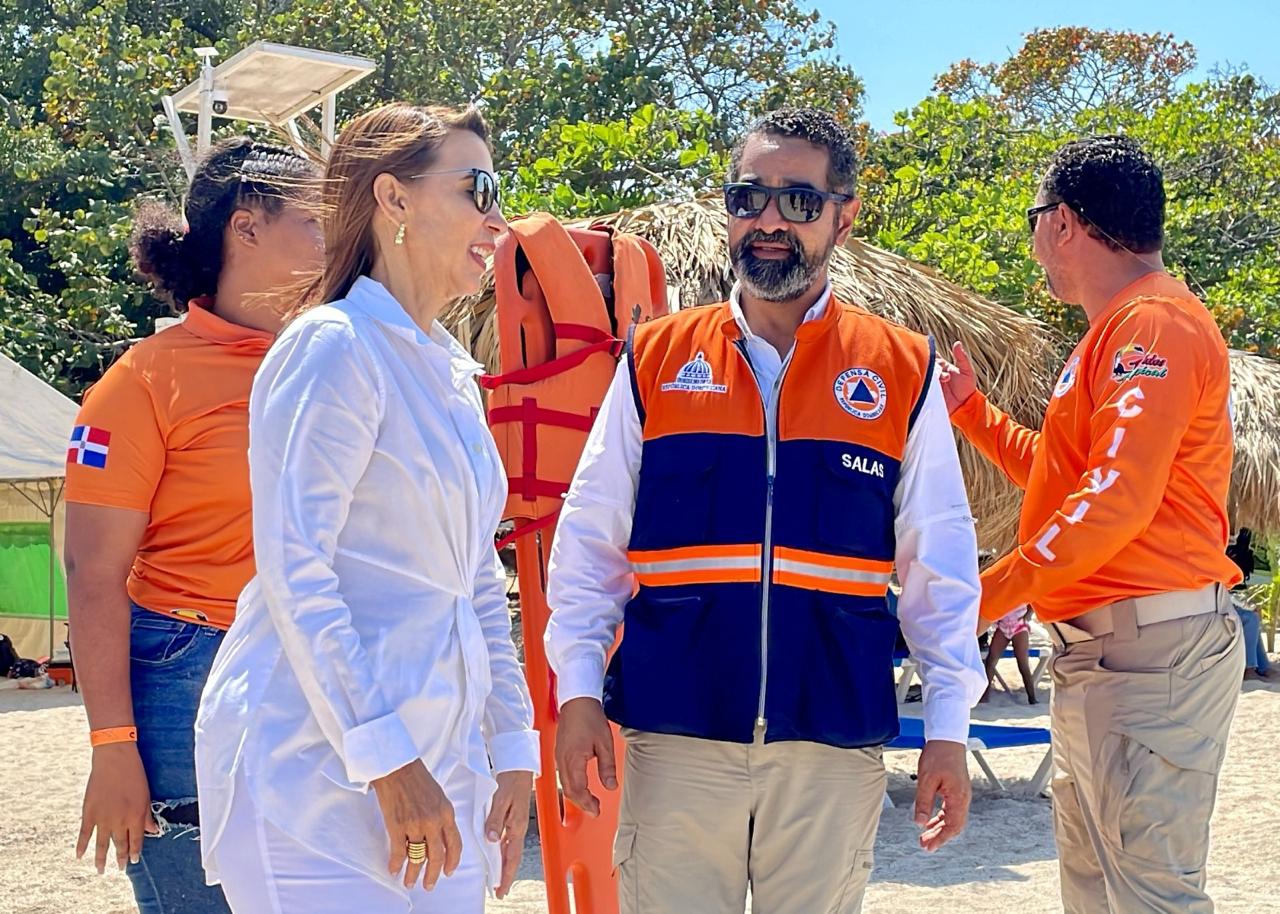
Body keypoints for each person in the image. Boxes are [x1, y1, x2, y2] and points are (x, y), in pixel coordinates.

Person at [545, 107, 986, 914]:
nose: (770, 221)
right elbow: (588, 541)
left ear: (844, 218)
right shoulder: (654, 358)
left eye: (799, 201)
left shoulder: (901, 367)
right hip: (675, 741)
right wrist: (576, 692)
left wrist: (949, 730)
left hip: (831, 746)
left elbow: (941, 563)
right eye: (748, 198)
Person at [194, 103, 538, 913]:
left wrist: (511, 744)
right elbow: (296, 569)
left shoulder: (451, 374)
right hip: (310, 779)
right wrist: (388, 761)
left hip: (440, 767)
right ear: (394, 198)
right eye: (478, 189)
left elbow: (474, 580)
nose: (498, 220)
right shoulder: (332, 347)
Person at [938, 135, 1245, 914]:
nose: (1034, 242)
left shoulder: (1154, 326)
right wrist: (972, 413)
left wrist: (978, 600)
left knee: (1149, 898)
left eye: (1034, 220)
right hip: (1110, 658)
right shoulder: (1122, 328)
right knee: (1096, 894)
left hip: (1148, 657)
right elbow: (1069, 477)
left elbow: (1112, 501)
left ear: (1063, 223)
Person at [64, 139, 320, 914]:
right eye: (316, 221)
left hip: (319, 660)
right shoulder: (143, 383)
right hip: (188, 672)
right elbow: (91, 573)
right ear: (247, 228)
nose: (337, 241)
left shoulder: (333, 362)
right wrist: (113, 748)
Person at [981, 605, 1037, 703]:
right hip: (1003, 625)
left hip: (1019, 625)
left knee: (1023, 664)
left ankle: (1032, 698)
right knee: (990, 661)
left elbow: (1034, 600)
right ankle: (984, 696)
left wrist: (1028, 615)